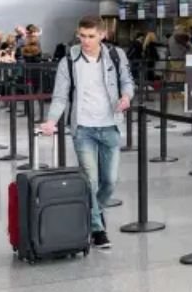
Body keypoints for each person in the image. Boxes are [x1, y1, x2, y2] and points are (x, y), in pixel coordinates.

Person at [39, 16, 135, 250]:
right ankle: (97, 228)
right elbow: (61, 95)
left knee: (110, 182)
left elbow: (127, 81)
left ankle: (95, 209)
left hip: (110, 125)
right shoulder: (69, 61)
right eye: (82, 35)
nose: (86, 41)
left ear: (102, 35)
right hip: (83, 129)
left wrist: (126, 97)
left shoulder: (115, 55)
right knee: (90, 181)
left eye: (91, 36)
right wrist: (52, 120)